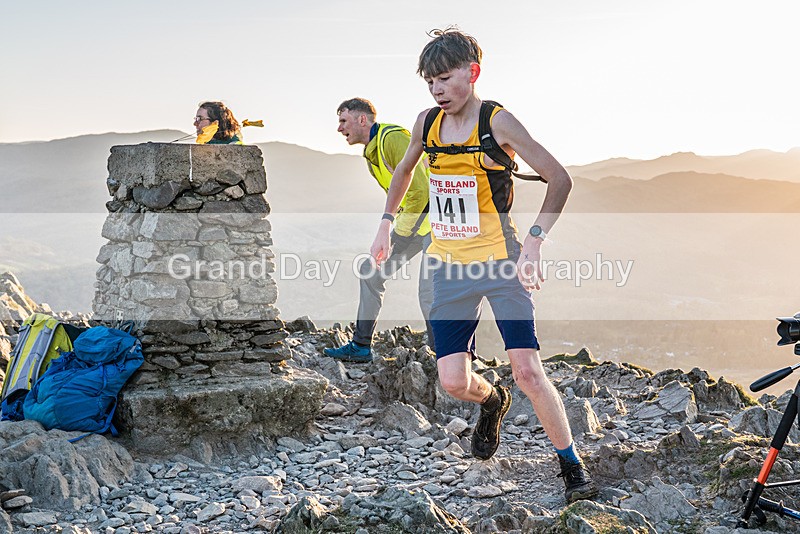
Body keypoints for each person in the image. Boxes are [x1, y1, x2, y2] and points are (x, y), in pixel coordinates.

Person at [369, 28, 598, 503]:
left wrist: (535, 241)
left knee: (529, 372)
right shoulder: (426, 124)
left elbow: (560, 179)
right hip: (448, 268)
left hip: (501, 262)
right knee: (454, 382)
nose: (436, 89)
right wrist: (386, 224)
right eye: (429, 81)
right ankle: (492, 401)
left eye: (445, 78)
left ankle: (571, 465)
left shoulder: (499, 122)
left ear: (472, 73)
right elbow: (405, 171)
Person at [323, 98, 434, 363]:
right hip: (413, 225)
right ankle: (361, 347)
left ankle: (445, 356)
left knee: (430, 293)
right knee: (370, 274)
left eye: (343, 121)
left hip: (435, 227)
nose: (339, 129)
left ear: (362, 119)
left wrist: (398, 234)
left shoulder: (393, 139)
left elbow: (420, 191)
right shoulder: (372, 154)